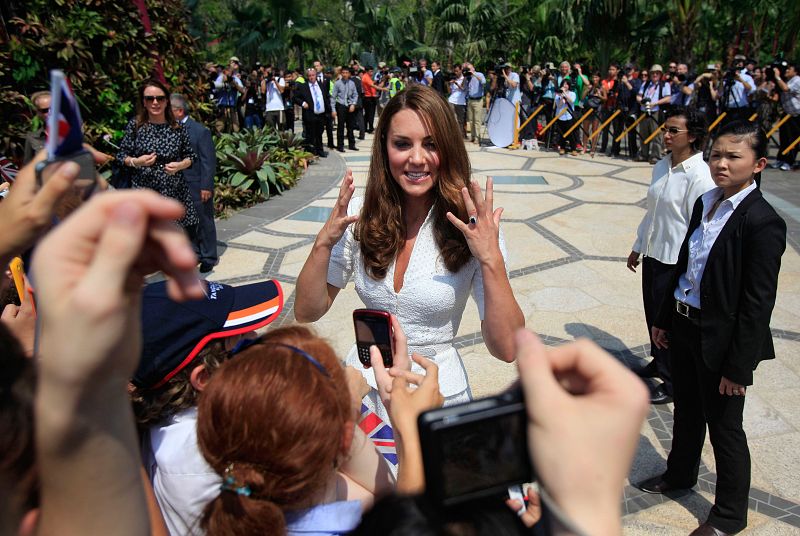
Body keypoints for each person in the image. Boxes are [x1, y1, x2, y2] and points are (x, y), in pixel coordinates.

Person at [294, 84, 524, 444]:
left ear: (447, 148)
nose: (417, 158)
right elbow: (308, 310)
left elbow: (507, 348)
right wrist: (324, 241)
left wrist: (490, 258)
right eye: (403, 144)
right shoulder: (360, 216)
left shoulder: (473, 226)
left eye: (431, 144)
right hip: (363, 392)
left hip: (434, 395)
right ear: (385, 147)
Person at [639, 121, 787, 536]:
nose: (721, 163)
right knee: (686, 409)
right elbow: (688, 266)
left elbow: (758, 304)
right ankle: (679, 474)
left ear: (758, 164)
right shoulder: (706, 201)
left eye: (733, 156)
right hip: (685, 325)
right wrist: (665, 319)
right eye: (716, 155)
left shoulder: (762, 222)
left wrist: (739, 368)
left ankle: (727, 516)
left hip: (721, 339)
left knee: (725, 428)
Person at [196, 325, 395, 535]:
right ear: (344, 440)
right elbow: (387, 497)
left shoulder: (246, 504)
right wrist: (350, 408)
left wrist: (339, 407)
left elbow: (379, 494)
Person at [131, 278, 284, 536]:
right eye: (241, 338)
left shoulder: (168, 417)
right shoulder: (209, 458)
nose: (256, 337)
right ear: (204, 378)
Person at [626, 106, 716, 405]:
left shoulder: (700, 176)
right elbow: (653, 212)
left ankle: (672, 380)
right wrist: (639, 245)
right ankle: (658, 361)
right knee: (653, 312)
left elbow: (699, 226)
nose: (666, 135)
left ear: (693, 136)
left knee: (669, 323)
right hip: (654, 252)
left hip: (675, 260)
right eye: (665, 128)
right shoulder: (662, 166)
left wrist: (692, 270)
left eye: (673, 130)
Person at [116, 79, 199, 231]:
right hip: (143, 191)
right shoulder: (136, 126)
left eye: (160, 98)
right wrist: (136, 162)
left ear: (166, 101)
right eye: (150, 98)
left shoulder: (177, 128)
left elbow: (191, 156)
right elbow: (121, 156)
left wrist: (179, 165)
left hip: (172, 191)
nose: (155, 102)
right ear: (144, 102)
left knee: (170, 238)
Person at [170, 94, 219, 273]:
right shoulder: (169, 130)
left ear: (179, 111)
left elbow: (208, 161)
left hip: (197, 184)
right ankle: (195, 252)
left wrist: (206, 186)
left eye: (170, 109)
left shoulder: (200, 131)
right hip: (178, 185)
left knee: (204, 221)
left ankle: (209, 256)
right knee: (187, 221)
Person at [636, 64, 672, 164]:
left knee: (657, 134)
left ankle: (655, 155)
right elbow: (638, 96)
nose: (654, 75)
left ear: (660, 74)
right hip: (644, 111)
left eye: (657, 73)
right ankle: (644, 154)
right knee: (643, 133)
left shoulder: (665, 85)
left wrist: (655, 103)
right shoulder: (646, 84)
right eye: (653, 73)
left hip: (656, 111)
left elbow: (668, 98)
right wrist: (642, 101)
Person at [294, 68, 331, 157]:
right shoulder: (304, 86)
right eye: (309, 75)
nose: (311, 77)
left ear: (316, 75)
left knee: (320, 133)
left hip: (321, 114)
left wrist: (328, 110)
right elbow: (295, 97)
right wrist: (303, 103)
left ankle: (320, 150)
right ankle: (312, 152)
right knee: (311, 134)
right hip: (310, 114)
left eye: (313, 75)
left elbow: (326, 97)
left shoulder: (321, 85)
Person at [772, 62, 800, 171]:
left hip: (796, 115)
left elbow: (786, 89)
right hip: (786, 113)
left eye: (789, 69)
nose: (787, 70)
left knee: (792, 139)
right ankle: (781, 159)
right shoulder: (788, 79)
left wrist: (777, 76)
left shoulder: (797, 80)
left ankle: (789, 161)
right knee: (783, 138)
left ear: (796, 71)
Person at [332, 66, 359, 152]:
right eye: (343, 73)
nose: (345, 74)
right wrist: (333, 109)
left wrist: (353, 104)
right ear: (341, 73)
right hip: (341, 106)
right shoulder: (337, 83)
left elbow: (355, 95)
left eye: (346, 73)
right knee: (340, 126)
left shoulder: (352, 83)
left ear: (349, 74)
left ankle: (352, 145)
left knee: (350, 126)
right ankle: (340, 146)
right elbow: (333, 97)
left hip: (350, 106)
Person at [23, 91, 50, 164]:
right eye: (45, 110)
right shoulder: (32, 138)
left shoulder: (73, 133)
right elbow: (27, 167)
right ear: (38, 113)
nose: (50, 112)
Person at [553, 79, 578, 155]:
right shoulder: (557, 95)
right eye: (563, 84)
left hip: (569, 116)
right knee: (561, 133)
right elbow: (559, 105)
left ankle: (573, 148)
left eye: (566, 84)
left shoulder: (572, 93)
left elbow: (571, 101)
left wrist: (565, 94)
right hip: (560, 116)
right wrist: (561, 96)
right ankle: (562, 148)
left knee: (571, 133)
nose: (565, 86)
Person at [464, 62, 486, 144]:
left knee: (477, 120)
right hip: (470, 99)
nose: (469, 71)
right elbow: (465, 88)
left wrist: (474, 74)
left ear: (473, 68)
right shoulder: (468, 77)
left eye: (469, 69)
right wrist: (465, 77)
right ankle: (472, 136)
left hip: (478, 100)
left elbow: (484, 82)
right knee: (471, 120)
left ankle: (477, 137)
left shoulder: (479, 74)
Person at [448, 65, 467, 138]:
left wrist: (456, 83)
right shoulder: (453, 78)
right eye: (455, 71)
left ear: (461, 70)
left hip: (461, 101)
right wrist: (449, 83)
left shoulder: (464, 78)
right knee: (451, 118)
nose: (456, 72)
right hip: (451, 100)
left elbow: (463, 89)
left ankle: (460, 136)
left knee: (460, 120)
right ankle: (452, 135)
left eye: (457, 71)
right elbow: (450, 91)